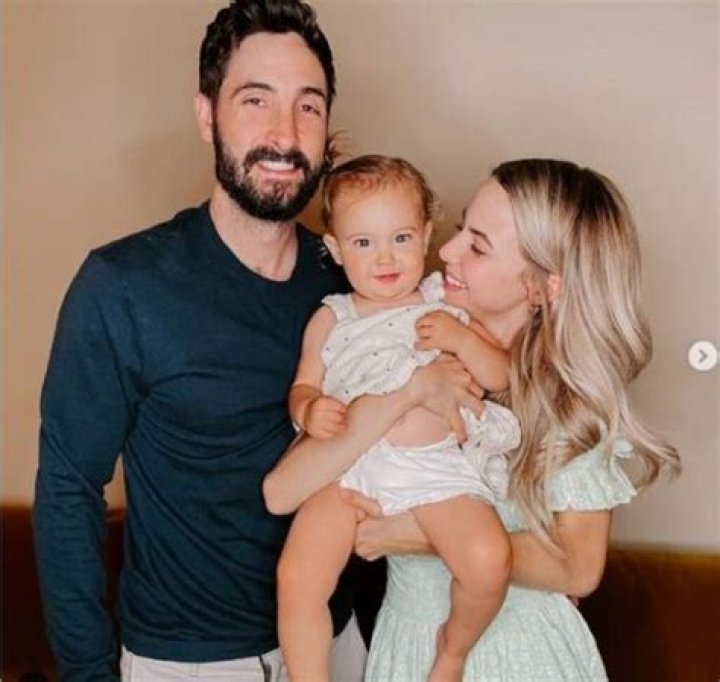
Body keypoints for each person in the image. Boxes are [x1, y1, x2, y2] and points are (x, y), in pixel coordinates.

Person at [32, 2, 400, 680]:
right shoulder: (124, 286)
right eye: (256, 100)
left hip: (336, 643)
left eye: (309, 106)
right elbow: (67, 491)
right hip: (188, 662)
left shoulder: (351, 278)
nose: (285, 134)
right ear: (207, 115)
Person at [264, 158, 681, 681]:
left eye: (478, 245)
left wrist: (410, 534)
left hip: (516, 656)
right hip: (406, 643)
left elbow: (579, 566)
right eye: (460, 227)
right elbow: (282, 490)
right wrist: (407, 393)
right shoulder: (404, 332)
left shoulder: (564, 397)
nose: (446, 249)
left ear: (540, 287)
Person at [267, 155, 520, 682]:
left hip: (432, 469)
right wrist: (309, 408)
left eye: (401, 238)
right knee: (297, 578)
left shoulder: (443, 301)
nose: (384, 257)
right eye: (363, 242)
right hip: (351, 467)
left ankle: (452, 652)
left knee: (489, 559)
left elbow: (500, 375)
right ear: (336, 248)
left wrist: (462, 339)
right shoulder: (332, 316)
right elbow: (304, 385)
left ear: (426, 235)